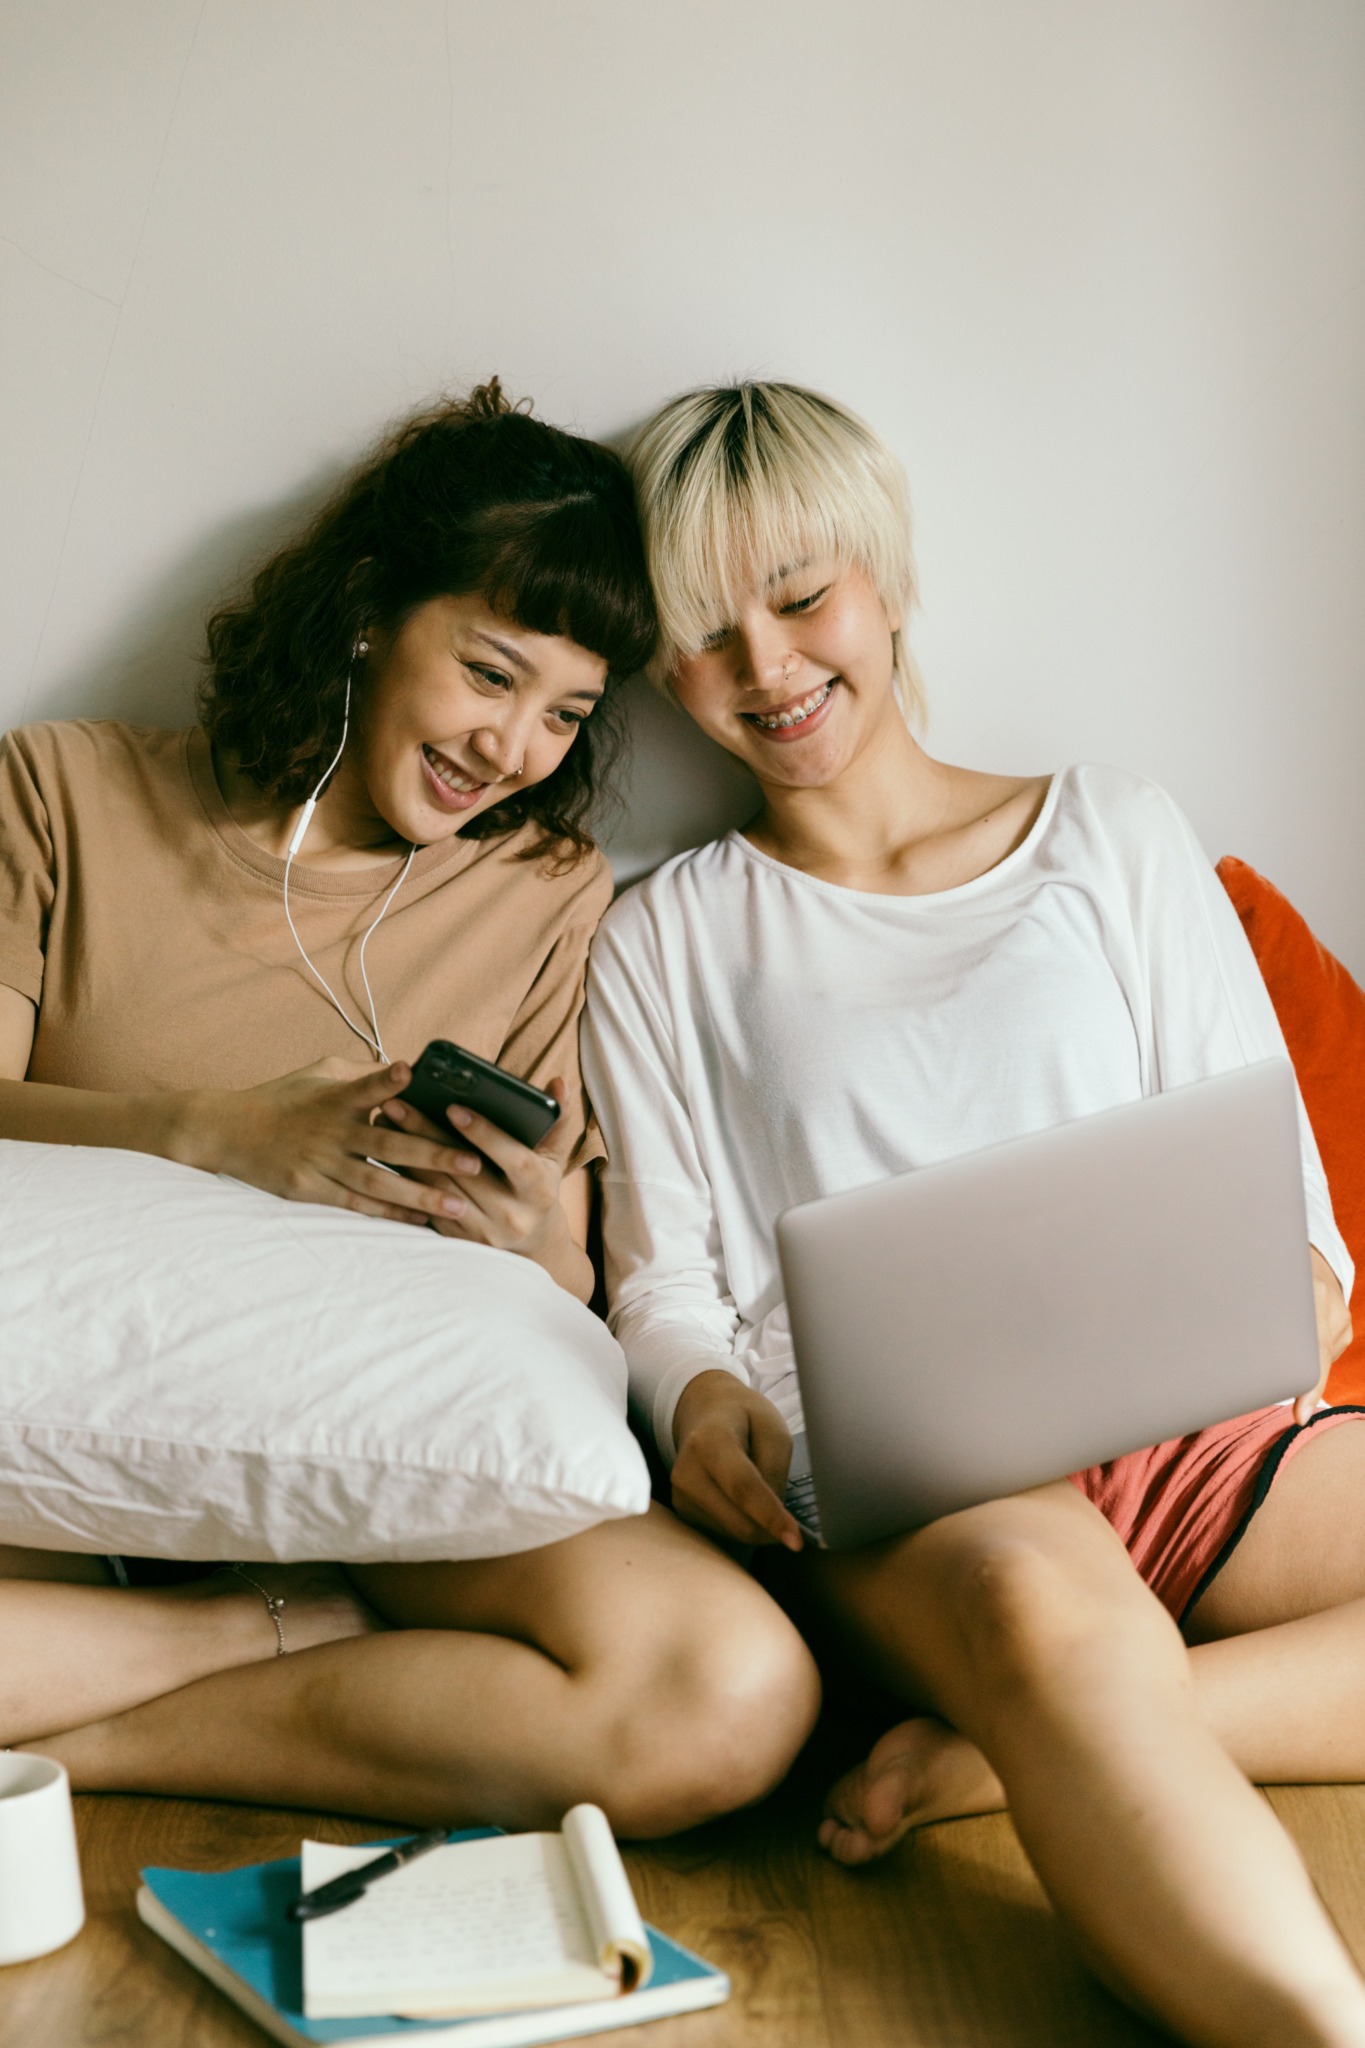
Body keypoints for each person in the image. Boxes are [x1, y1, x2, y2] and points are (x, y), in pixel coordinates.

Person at [581, 378, 1365, 2045]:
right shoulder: (668, 935)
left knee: (1093, 1680)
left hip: (1198, 1430)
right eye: (706, 635)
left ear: (881, 579)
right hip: (923, 1494)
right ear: (661, 664)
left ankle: (1006, 1754)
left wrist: (1291, 1292)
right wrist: (700, 1399)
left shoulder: (1110, 830)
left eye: (800, 600)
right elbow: (665, 1296)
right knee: (1037, 1617)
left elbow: (1293, 1220)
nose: (771, 670)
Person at [0, 380, 818, 1836]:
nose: (513, 749)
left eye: (567, 712)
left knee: (728, 1688)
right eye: (490, 675)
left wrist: (543, 1241)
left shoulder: (538, 891)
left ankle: (87, 1749)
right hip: (74, 1443)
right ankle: (258, 1632)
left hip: (386, 1450)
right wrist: (215, 1133)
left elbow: (573, 1282)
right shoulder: (64, 793)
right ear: (373, 611)